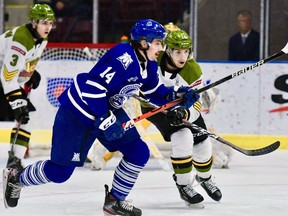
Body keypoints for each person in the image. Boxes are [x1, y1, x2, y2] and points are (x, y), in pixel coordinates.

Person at [3, 19, 199, 215]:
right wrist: (105, 118)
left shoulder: (149, 64)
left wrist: (177, 95)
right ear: (144, 42)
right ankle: (16, 177)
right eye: (158, 42)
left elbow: (154, 91)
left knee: (138, 152)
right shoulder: (123, 57)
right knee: (60, 172)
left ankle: (114, 201)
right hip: (79, 113)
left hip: (108, 111)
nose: (161, 48)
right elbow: (93, 88)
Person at [140, 29, 222, 207]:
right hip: (156, 106)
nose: (182, 56)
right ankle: (184, 185)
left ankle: (205, 178)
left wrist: (186, 113)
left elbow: (197, 103)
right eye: (178, 51)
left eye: (186, 51)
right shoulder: (154, 59)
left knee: (202, 142)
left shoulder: (192, 69)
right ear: (168, 50)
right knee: (183, 136)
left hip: (182, 107)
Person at [0, 4, 55, 164]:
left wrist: (30, 73)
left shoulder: (41, 40)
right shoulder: (21, 39)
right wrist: (17, 103)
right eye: (44, 23)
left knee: (26, 120)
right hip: (4, 80)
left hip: (6, 80)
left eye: (50, 23)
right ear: (34, 22)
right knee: (21, 113)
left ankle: (15, 160)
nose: (48, 27)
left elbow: (25, 64)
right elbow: (8, 77)